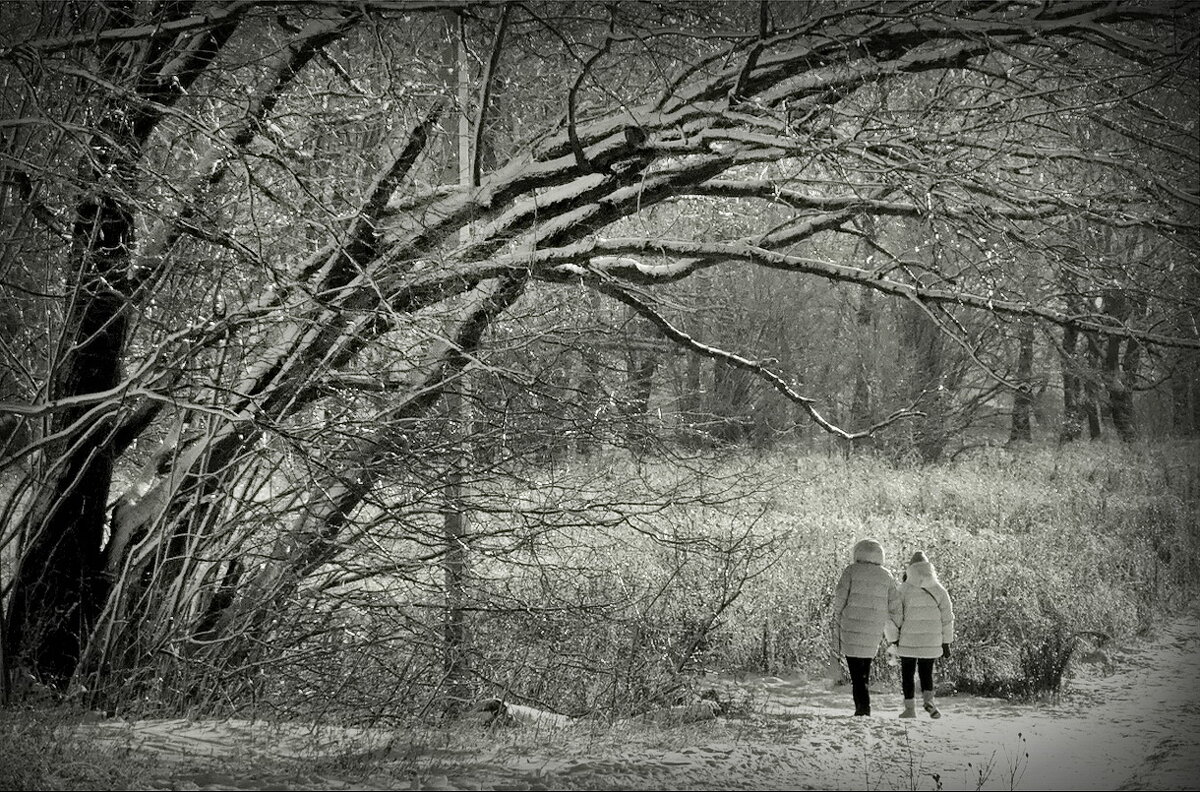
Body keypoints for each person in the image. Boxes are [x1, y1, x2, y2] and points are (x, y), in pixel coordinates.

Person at [832, 538, 900, 716]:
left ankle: (862, 709)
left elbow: (839, 599)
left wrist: (837, 618)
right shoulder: (886, 575)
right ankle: (864, 708)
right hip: (873, 630)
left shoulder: (851, 571)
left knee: (856, 673)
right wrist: (894, 636)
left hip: (850, 627)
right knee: (864, 671)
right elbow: (894, 606)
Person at [887, 550, 955, 719]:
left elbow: (894, 617)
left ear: (910, 570)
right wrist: (946, 642)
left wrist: (893, 639)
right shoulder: (939, 590)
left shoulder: (903, 590)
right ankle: (929, 703)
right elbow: (947, 619)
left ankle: (910, 709)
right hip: (931, 641)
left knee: (907, 674)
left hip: (908, 641)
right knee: (926, 672)